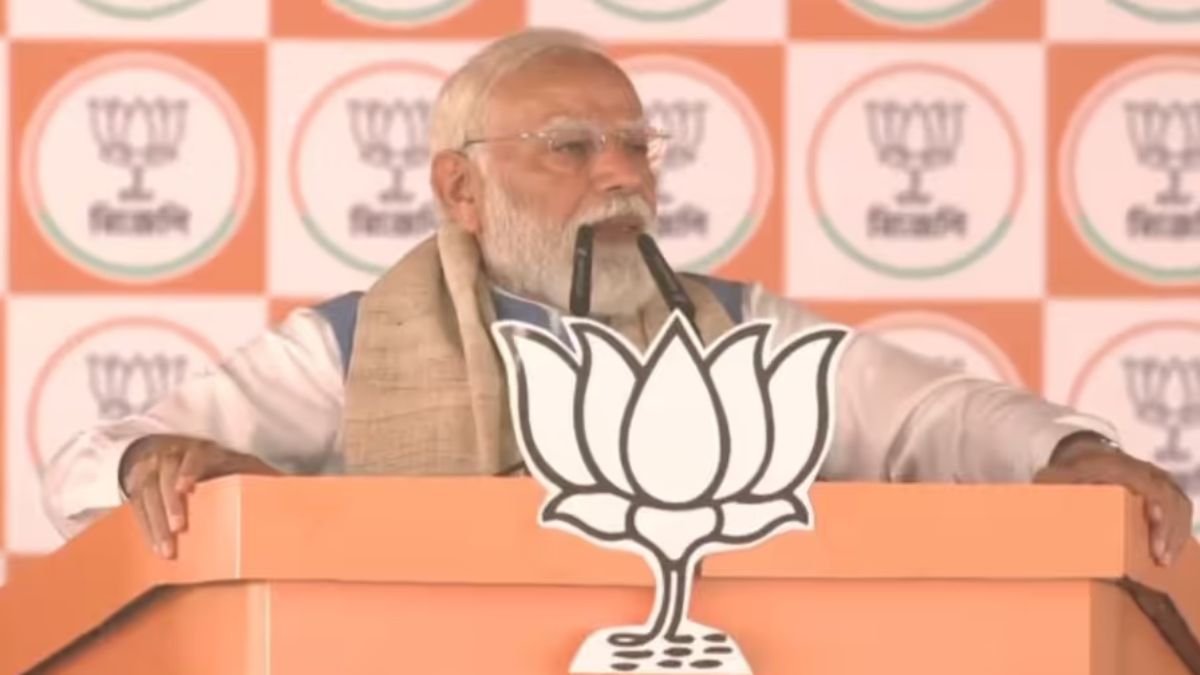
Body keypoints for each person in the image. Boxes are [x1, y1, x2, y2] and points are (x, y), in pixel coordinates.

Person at [41, 28, 1191, 567]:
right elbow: (92, 462)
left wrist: (1070, 451)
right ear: (460, 189)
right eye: (572, 146)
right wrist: (156, 461)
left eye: (638, 146)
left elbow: (926, 415)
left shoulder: (737, 329)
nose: (622, 175)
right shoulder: (345, 347)